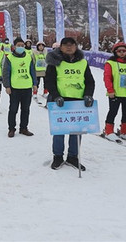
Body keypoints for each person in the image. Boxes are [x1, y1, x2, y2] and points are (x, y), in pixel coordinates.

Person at [45, 37, 95, 171]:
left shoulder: (82, 63)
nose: (69, 47)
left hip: (78, 102)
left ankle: (73, 156)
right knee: (59, 131)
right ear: (60, 47)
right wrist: (55, 95)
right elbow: (49, 81)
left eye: (72, 45)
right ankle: (58, 156)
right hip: (60, 101)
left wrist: (88, 95)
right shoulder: (55, 62)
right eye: (65, 45)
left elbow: (90, 81)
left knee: (76, 131)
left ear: (76, 47)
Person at [103, 42, 126, 141]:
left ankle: (125, 131)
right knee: (113, 111)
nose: (122, 53)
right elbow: (107, 77)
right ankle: (108, 131)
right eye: (119, 51)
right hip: (115, 93)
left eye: (124, 51)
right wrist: (110, 90)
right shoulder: (110, 63)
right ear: (115, 52)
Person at [2, 37, 37, 137]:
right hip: (14, 88)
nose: (21, 47)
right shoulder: (9, 58)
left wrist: (35, 84)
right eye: (19, 45)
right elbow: (5, 73)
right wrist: (7, 86)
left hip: (27, 88)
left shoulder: (28, 57)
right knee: (13, 109)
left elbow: (32, 71)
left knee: (26, 109)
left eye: (22, 45)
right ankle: (11, 128)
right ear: (14, 46)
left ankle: (24, 128)